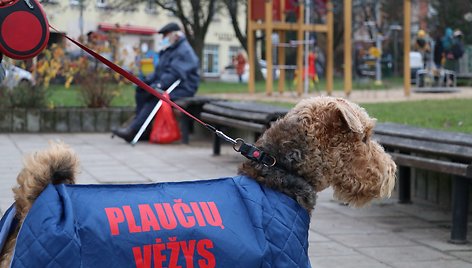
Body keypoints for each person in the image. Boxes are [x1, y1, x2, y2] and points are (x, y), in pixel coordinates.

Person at [112, 22, 200, 142]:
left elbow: (174, 74)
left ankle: (134, 130)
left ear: (175, 35)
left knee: (155, 96)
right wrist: (146, 82)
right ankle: (143, 130)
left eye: (165, 36)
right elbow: (159, 71)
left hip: (184, 88)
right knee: (141, 91)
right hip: (169, 84)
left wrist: (158, 85)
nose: (163, 39)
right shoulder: (169, 50)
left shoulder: (184, 51)